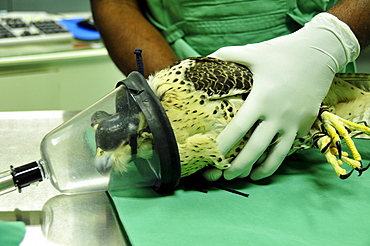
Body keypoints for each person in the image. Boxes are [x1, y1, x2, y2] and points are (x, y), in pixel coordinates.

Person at [90, 0, 370, 181]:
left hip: (322, 71)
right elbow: (115, 4)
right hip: (175, 60)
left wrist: (334, 38)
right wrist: (168, 122)